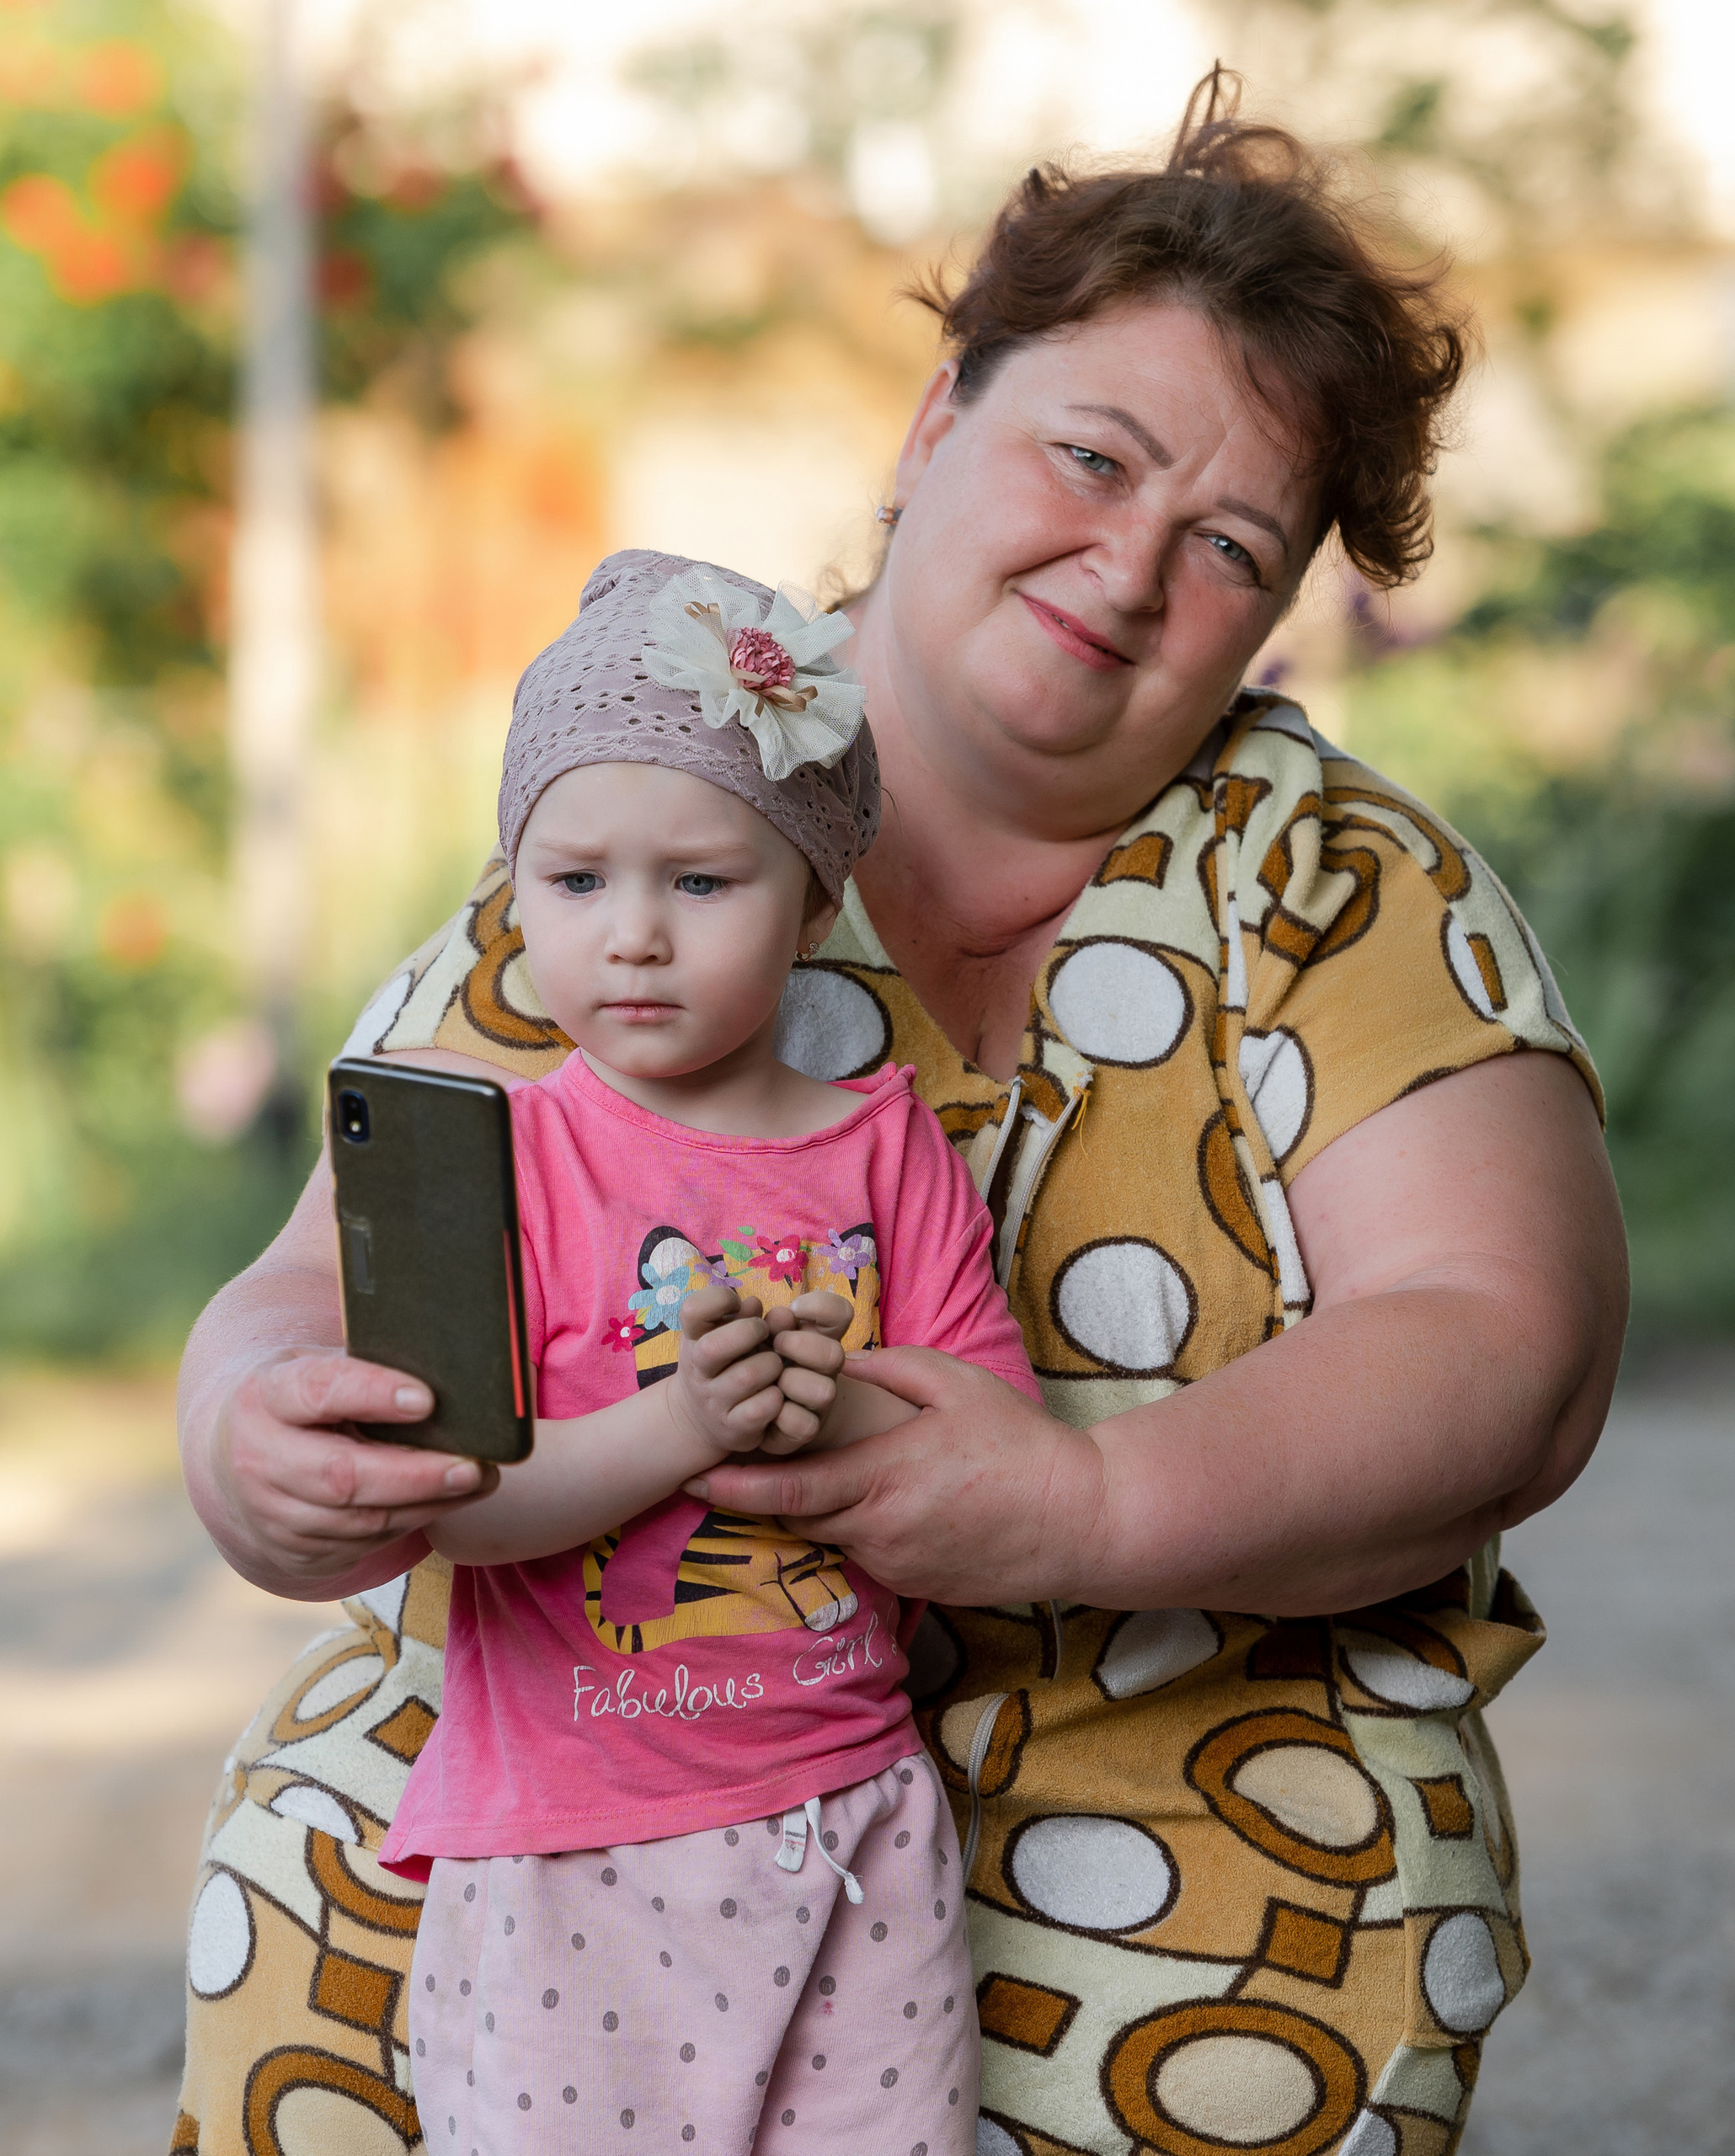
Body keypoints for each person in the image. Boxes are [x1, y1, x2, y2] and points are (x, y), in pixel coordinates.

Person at [168, 75, 1627, 2156]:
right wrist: (253, 1429)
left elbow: (1509, 1344)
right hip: (596, 1719)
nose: (1125, 570)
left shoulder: (1331, 884)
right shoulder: (654, 806)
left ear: (1281, 604)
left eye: (1223, 545)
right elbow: (319, 1274)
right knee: (326, 1903)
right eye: (1086, 455)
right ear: (933, 422)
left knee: (1262, 1993)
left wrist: (1086, 1513)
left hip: (1181, 1744)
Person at [383, 553, 1041, 2154]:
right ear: (514, 884)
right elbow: (453, 1502)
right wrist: (683, 1429)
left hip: (851, 1817)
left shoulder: (888, 1149)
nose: (635, 940)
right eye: (576, 881)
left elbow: (999, 1443)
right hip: (569, 1848)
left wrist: (831, 1415)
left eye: (701, 883)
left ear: (816, 901)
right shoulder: (505, 1164)